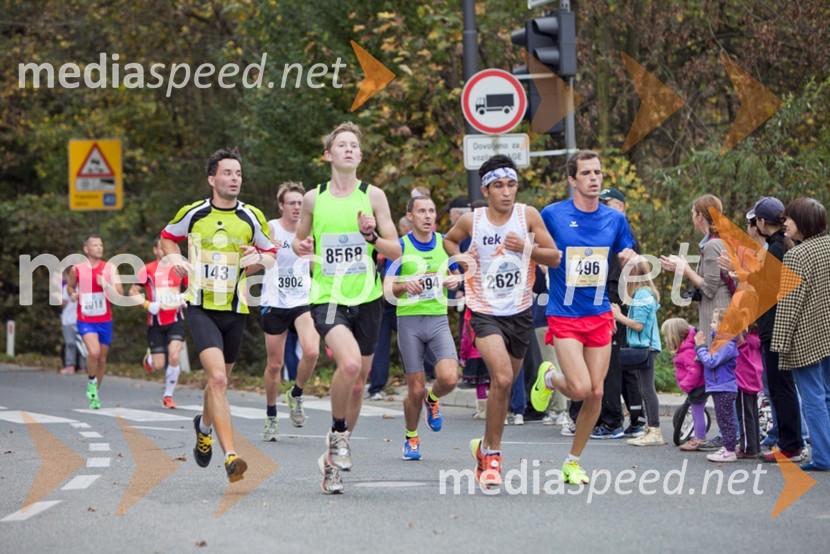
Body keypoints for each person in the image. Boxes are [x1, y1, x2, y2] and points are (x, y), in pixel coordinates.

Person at [293, 121, 401, 494]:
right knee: (350, 364)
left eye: (354, 145)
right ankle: (339, 435)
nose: (349, 150)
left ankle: (332, 462)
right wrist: (302, 249)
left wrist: (372, 236)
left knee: (359, 385)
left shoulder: (374, 196)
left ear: (361, 155)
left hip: (368, 298)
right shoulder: (313, 198)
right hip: (328, 296)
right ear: (329, 154)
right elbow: (299, 241)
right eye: (342, 145)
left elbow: (396, 250)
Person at [444, 154, 561, 489]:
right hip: (483, 311)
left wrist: (527, 248)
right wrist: (460, 259)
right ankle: (493, 457)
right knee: (504, 376)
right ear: (486, 189)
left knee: (504, 386)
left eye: (511, 184)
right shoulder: (473, 220)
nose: (506, 192)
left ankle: (483, 446)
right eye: (499, 186)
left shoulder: (528, 216)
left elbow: (554, 257)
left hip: (520, 311)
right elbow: (448, 239)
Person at [161, 147, 276, 483]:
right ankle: (230, 456)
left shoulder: (251, 217)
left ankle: (204, 426)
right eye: (227, 173)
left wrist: (257, 259)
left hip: (235, 310)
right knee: (219, 381)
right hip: (200, 307)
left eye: (238, 173)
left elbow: (270, 255)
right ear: (212, 179)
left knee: (218, 383)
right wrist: (175, 260)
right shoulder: (194, 213)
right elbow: (168, 238)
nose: (234, 179)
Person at [530, 150, 636, 485]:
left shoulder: (614, 219)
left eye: (598, 173)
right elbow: (537, 251)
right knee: (578, 388)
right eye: (587, 173)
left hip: (599, 312)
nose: (594, 178)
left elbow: (628, 254)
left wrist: (630, 256)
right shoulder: (553, 215)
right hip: (564, 312)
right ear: (572, 179)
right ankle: (549, 378)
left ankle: (573, 461)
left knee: (595, 394)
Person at [384, 195, 460, 460]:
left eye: (431, 211)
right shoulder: (400, 246)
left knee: (450, 378)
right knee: (413, 389)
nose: (428, 216)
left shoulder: (444, 243)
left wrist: (454, 281)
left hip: (437, 319)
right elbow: (387, 290)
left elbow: (456, 274)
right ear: (410, 216)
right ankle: (411, 437)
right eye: (422, 211)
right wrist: (404, 286)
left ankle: (433, 398)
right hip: (409, 321)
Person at [772, 198, 830, 471]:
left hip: (807, 336)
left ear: (803, 223)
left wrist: (780, 343)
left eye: (790, 219)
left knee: (813, 398)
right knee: (827, 395)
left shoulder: (797, 255)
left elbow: (789, 304)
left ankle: (822, 456)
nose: (785, 224)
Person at [260, 182, 320, 441]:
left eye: (300, 203)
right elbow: (256, 258)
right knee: (275, 365)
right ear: (281, 206)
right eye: (292, 203)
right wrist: (267, 250)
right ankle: (271, 416)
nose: (297, 207)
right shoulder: (271, 228)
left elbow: (317, 264)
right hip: (274, 301)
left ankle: (295, 394)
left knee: (312, 350)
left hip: (301, 300)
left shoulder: (311, 231)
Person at [591, 187, 645, 439]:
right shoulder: (605, 231)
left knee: (612, 360)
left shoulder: (622, 232)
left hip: (616, 300)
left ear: (621, 207)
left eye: (607, 204)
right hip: (610, 297)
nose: (601, 208)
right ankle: (636, 418)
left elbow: (634, 269)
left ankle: (613, 421)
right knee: (622, 360)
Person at [660, 194, 732, 345]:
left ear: (700, 216)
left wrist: (686, 270)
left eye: (693, 213)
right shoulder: (720, 240)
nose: (692, 217)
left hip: (718, 315)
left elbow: (710, 287)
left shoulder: (712, 245)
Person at [611, 256, 664, 446]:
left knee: (647, 390)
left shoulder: (642, 295)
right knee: (644, 389)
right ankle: (651, 428)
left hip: (646, 347)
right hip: (645, 347)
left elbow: (638, 325)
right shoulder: (642, 294)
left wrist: (618, 316)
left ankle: (655, 431)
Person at [66, 235, 124, 409]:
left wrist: (106, 284)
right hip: (85, 319)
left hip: (104, 320)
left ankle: (94, 392)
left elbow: (120, 292)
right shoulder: (77, 269)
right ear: (86, 249)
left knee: (102, 359)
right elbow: (70, 286)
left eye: (101, 244)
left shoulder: (110, 268)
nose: (99, 247)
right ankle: (91, 381)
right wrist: (72, 294)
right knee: (94, 352)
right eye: (95, 245)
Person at [130, 238, 188, 408]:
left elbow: (192, 289)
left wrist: (185, 299)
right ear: (155, 250)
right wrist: (148, 304)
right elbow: (133, 292)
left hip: (176, 320)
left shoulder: (178, 269)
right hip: (156, 322)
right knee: (158, 365)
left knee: (174, 356)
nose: (164, 251)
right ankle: (149, 360)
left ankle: (168, 396)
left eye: (166, 248)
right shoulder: (147, 269)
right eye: (161, 249)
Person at [367, 215, 413, 401]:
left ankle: (427, 374)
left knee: (412, 338)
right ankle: (376, 387)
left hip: (400, 300)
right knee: (381, 344)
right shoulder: (384, 246)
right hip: (382, 299)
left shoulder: (405, 246)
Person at [696, 308, 739, 463]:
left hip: (724, 387)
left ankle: (729, 450)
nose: (711, 324)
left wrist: (700, 347)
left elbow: (711, 361)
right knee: (722, 419)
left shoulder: (727, 344)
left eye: (714, 322)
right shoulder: (719, 342)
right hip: (718, 386)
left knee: (725, 419)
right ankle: (727, 447)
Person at [661, 318, 707, 451]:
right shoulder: (687, 348)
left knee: (697, 411)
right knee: (696, 410)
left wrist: (685, 385)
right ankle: (699, 436)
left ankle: (700, 438)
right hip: (698, 385)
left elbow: (694, 371)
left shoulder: (687, 352)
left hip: (697, 386)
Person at [735, 326, 763, 458]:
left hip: (742, 381)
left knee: (745, 416)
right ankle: (755, 445)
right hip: (753, 380)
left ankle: (747, 448)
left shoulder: (741, 341)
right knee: (752, 415)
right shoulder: (754, 338)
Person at [60, 269, 86, 375]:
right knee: (82, 344)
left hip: (70, 319)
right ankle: (82, 366)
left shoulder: (67, 288)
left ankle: (70, 365)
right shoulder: (84, 287)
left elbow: (63, 303)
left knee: (71, 343)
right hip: (81, 319)